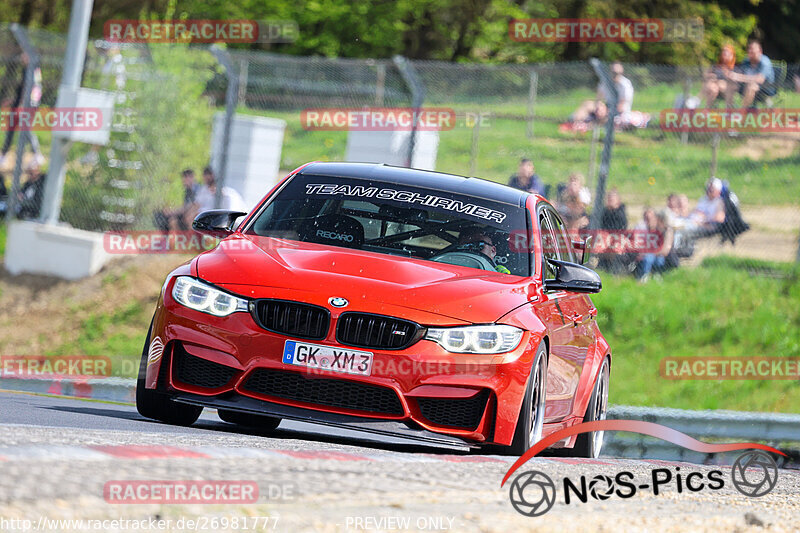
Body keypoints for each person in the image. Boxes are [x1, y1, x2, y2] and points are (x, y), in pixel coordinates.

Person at [0, 52, 45, 168]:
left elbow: (31, 89)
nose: (22, 57)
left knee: (25, 128)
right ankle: (4, 155)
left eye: (25, 55)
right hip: (24, 103)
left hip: (27, 104)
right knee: (12, 127)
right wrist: (13, 100)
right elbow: (23, 89)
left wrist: (22, 104)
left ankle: (37, 154)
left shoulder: (33, 70)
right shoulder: (29, 70)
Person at [724, 40, 776, 109]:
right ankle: (729, 110)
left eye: (753, 49)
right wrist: (731, 76)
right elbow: (740, 73)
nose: (750, 51)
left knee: (751, 86)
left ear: (760, 51)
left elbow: (759, 79)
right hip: (746, 86)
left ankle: (742, 112)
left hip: (765, 89)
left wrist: (738, 77)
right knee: (731, 84)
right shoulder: (746, 61)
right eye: (749, 49)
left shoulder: (765, 62)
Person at [634, 209, 675, 282]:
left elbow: (665, 251)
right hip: (655, 254)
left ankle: (648, 275)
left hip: (668, 258)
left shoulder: (668, 231)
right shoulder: (652, 230)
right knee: (649, 258)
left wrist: (648, 252)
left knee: (653, 258)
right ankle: (645, 276)